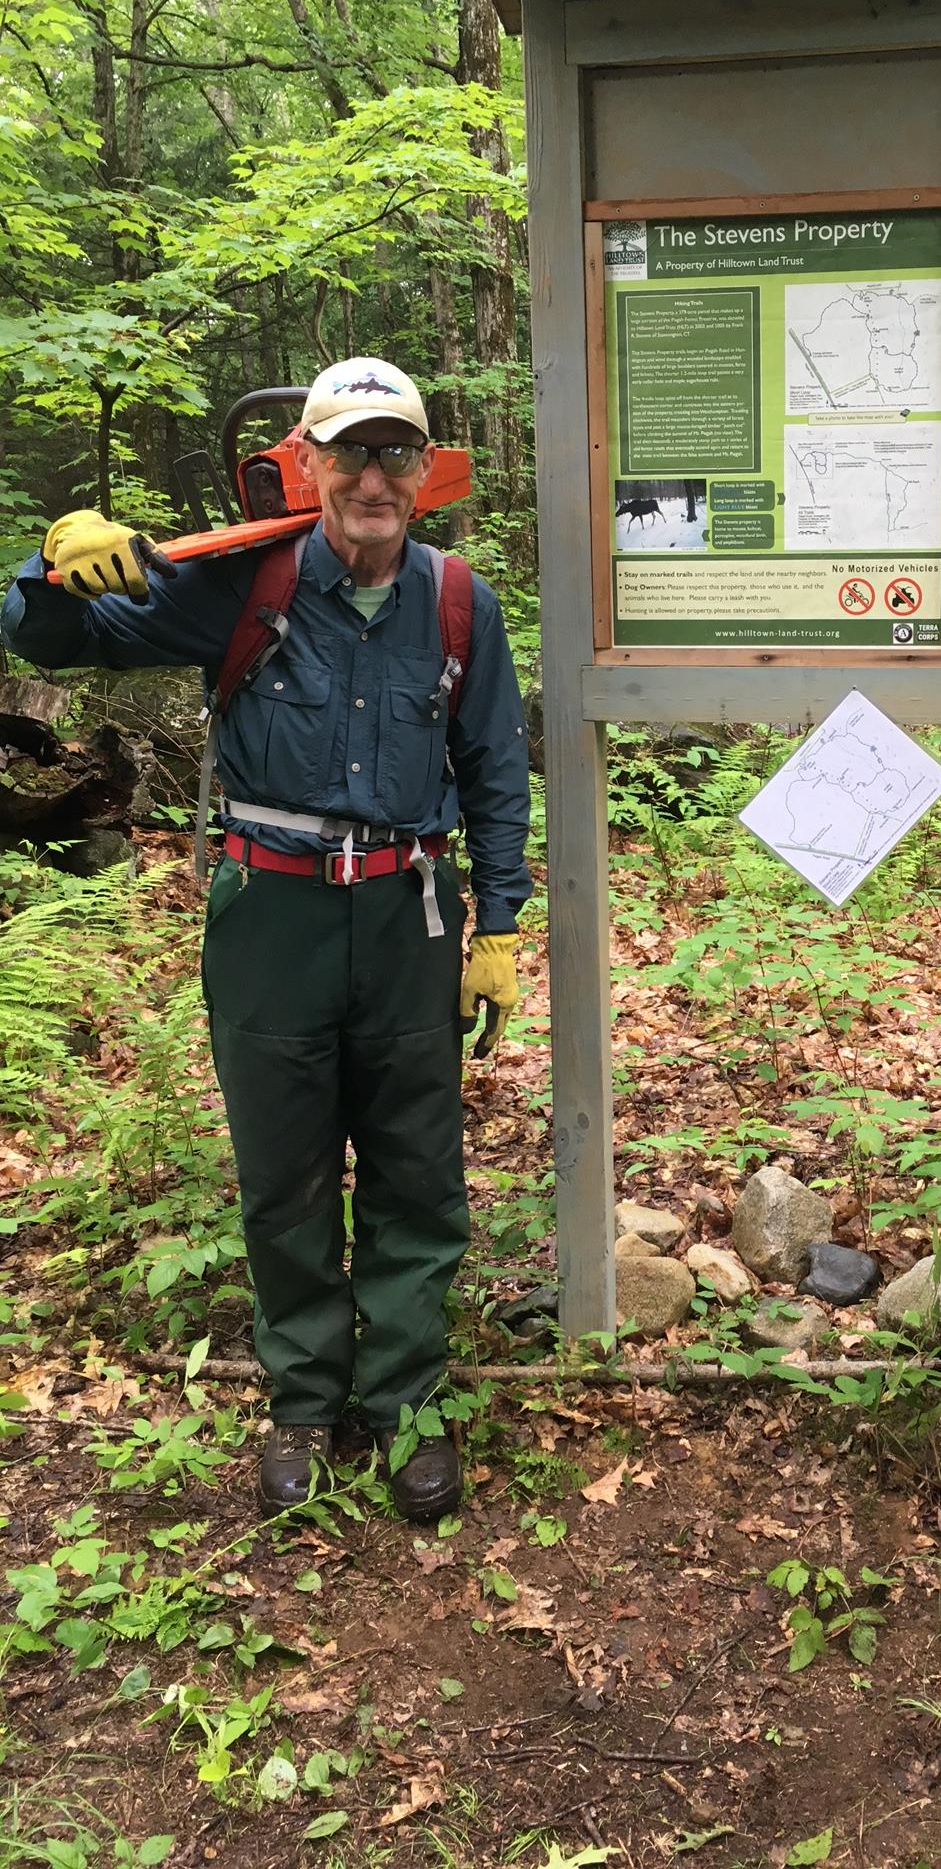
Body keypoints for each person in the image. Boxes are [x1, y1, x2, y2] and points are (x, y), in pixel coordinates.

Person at [2, 358, 531, 1522]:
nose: (371, 475)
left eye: (395, 450)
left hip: (409, 912)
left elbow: (495, 768)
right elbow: (51, 641)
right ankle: (302, 1398)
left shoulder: (457, 601)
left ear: (423, 470)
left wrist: (498, 924)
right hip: (269, 911)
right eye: (347, 450)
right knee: (284, 1167)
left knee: (416, 1167)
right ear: (306, 464)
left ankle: (402, 1404)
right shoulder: (239, 585)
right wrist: (51, 566)